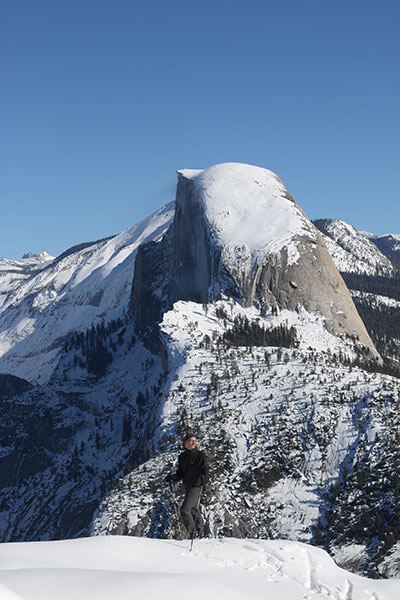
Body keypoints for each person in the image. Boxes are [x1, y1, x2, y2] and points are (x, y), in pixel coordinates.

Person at [166, 432, 207, 538]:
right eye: (190, 440)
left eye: (195, 441)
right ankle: (200, 532)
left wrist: (203, 479)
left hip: (196, 485)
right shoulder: (182, 457)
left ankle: (193, 533)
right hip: (188, 485)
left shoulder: (200, 455)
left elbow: (205, 469)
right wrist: (172, 478)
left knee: (185, 510)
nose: (193, 442)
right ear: (185, 443)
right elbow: (181, 473)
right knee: (193, 509)